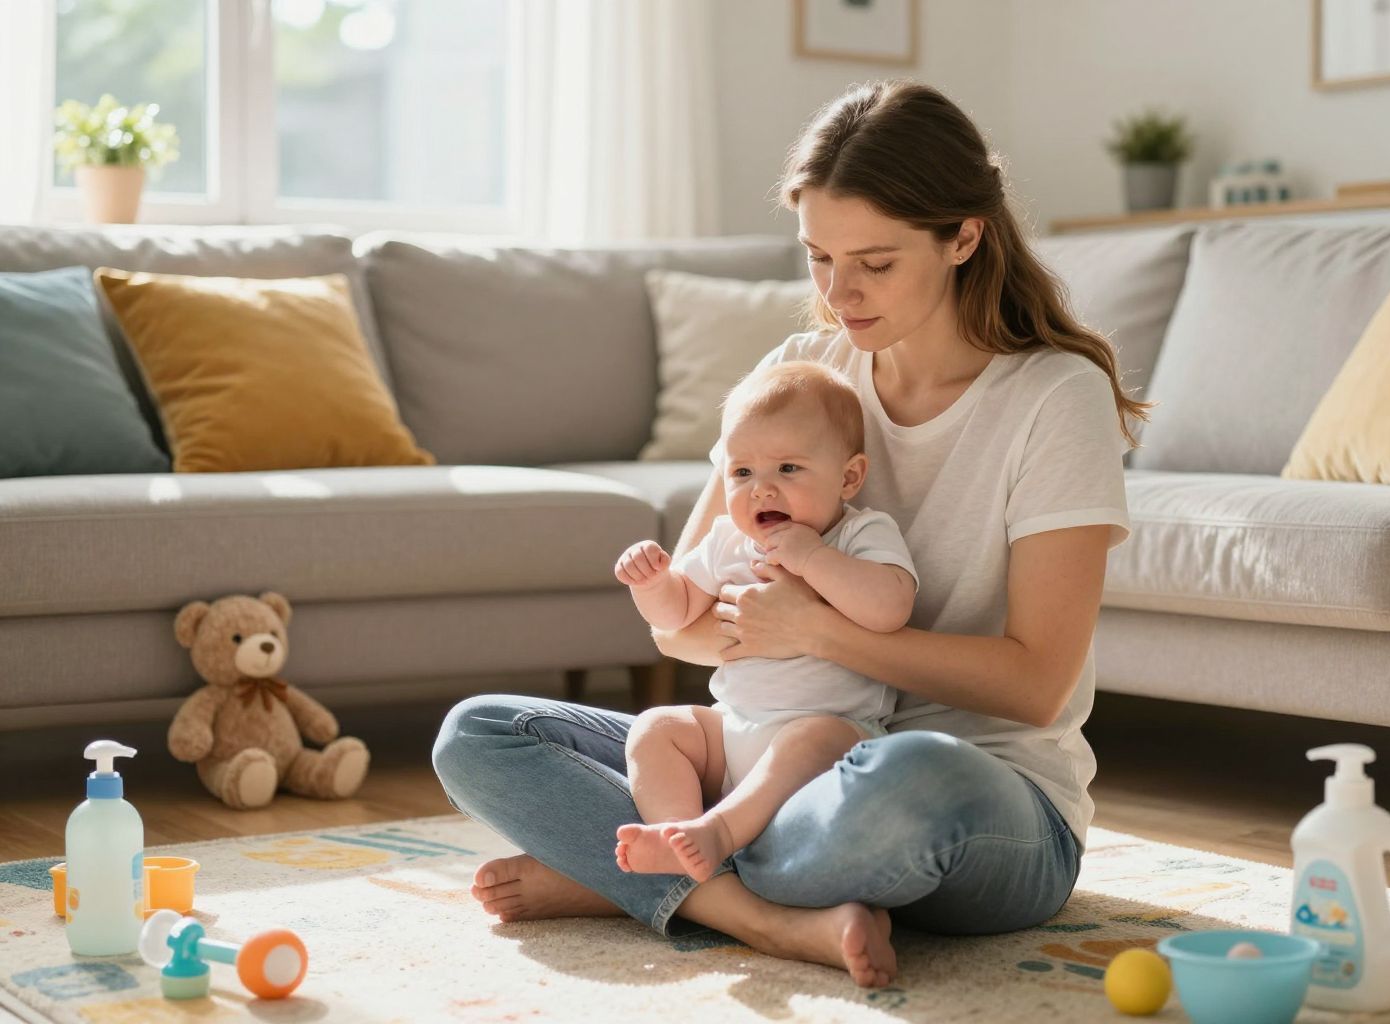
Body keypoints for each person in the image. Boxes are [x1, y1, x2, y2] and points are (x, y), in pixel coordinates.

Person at [433, 78, 1147, 990]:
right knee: (480, 733)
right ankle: (756, 914)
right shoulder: (799, 375)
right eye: (818, 257)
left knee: (912, 773)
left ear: (964, 236)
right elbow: (680, 625)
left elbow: (1038, 686)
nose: (840, 293)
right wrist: (693, 608)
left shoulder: (1055, 396)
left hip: (969, 796)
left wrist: (820, 632)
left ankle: (624, 875)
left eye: (876, 263)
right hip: (762, 760)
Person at [612, 360, 917, 884]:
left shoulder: (859, 535)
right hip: (731, 734)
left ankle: (721, 833)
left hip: (832, 739)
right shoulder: (728, 539)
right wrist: (652, 584)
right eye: (742, 472)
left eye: (788, 469)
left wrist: (812, 559)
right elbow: (678, 615)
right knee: (655, 728)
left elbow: (890, 609)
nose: (761, 490)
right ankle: (680, 836)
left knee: (811, 738)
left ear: (849, 477)